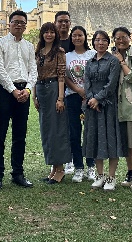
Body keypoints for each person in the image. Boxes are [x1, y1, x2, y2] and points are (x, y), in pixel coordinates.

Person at [0, 10, 37, 190]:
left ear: (25, 26)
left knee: (20, 135)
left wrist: (28, 89)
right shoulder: (0, 44)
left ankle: (18, 173)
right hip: (4, 91)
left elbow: (33, 70)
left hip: (23, 90)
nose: (19, 25)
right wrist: (13, 90)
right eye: (15, 22)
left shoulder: (29, 46)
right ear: (9, 24)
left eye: (22, 22)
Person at [83, 30, 123, 191]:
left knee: (111, 139)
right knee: (95, 139)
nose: (100, 43)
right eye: (97, 40)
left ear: (108, 42)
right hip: (92, 107)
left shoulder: (113, 61)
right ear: (93, 43)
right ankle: (100, 175)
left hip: (108, 105)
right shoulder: (90, 62)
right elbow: (86, 82)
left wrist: (98, 99)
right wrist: (91, 99)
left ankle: (111, 177)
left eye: (104, 40)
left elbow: (111, 84)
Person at [33, 22, 71, 184]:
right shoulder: (38, 52)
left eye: (52, 32)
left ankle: (60, 169)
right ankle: (54, 168)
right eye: (46, 32)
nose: (49, 35)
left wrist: (60, 98)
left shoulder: (59, 52)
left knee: (57, 129)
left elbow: (61, 75)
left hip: (54, 89)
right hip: (41, 90)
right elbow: (34, 74)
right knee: (46, 130)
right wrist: (34, 96)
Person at [111, 26, 132, 190]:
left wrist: (121, 61)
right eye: (117, 38)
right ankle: (130, 171)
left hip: (131, 104)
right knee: (125, 142)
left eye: (123, 37)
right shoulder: (112, 56)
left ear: (129, 38)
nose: (121, 41)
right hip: (117, 105)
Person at [64, 26, 97, 182]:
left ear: (85, 37)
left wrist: (87, 93)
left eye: (80, 35)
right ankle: (78, 167)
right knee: (74, 133)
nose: (77, 38)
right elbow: (64, 77)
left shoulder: (92, 54)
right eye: (74, 35)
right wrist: (78, 89)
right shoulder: (67, 56)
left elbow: (97, 75)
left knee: (90, 133)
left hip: (90, 98)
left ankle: (91, 166)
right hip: (72, 97)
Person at [54, 10, 75, 176]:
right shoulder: (51, 42)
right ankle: (57, 161)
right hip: (53, 89)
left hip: (72, 91)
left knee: (71, 127)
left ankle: (71, 160)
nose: (63, 24)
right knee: (56, 127)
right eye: (60, 21)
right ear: (55, 23)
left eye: (66, 21)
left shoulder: (74, 41)